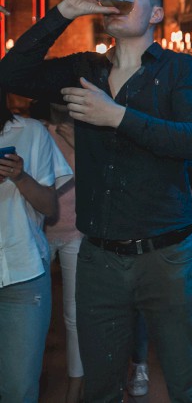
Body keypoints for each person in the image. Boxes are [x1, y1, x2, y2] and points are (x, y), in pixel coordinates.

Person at [0, 0, 192, 401]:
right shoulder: (86, 69)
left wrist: (117, 116)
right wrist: (65, 11)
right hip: (98, 256)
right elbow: (11, 74)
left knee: (187, 383)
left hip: (166, 255)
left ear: (156, 14)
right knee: (100, 387)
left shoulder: (180, 70)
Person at [0, 88, 73, 402]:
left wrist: (20, 177)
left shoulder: (32, 133)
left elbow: (49, 206)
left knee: (19, 388)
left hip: (24, 273)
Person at [30, 100, 85, 403]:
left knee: (74, 314)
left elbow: (101, 181)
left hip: (76, 231)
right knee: (34, 313)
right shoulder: (34, 131)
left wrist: (80, 146)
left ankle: (75, 385)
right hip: (38, 232)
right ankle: (26, 379)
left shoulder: (86, 132)